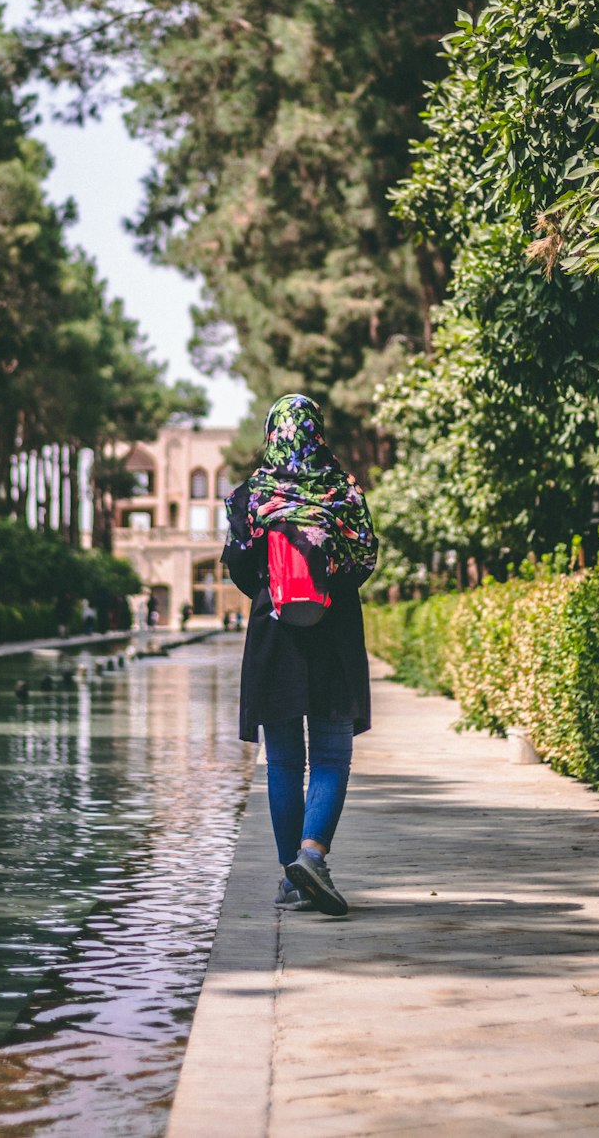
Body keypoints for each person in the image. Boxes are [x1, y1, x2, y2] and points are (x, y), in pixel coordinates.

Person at [222, 393, 378, 917]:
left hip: (274, 637)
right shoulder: (344, 491)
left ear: (273, 434)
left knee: (285, 760)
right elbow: (365, 558)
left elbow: (240, 568)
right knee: (332, 755)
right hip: (334, 634)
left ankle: (292, 876)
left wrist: (278, 591)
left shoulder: (251, 497)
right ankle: (313, 856)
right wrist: (326, 587)